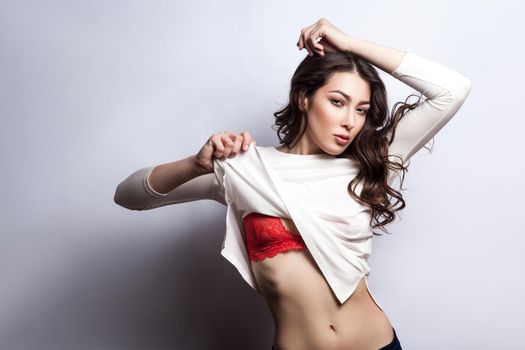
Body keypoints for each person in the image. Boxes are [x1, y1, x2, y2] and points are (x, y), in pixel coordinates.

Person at [114, 18, 471, 350]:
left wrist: (348, 44)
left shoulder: (372, 161)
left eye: (361, 110)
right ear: (304, 98)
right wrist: (194, 164)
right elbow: (129, 196)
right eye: (337, 102)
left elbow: (452, 90)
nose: (350, 121)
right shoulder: (244, 168)